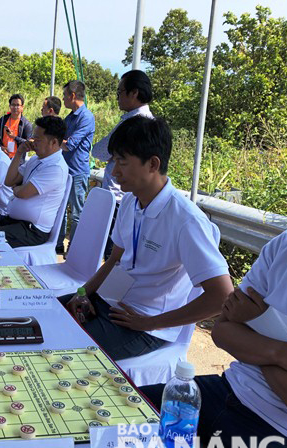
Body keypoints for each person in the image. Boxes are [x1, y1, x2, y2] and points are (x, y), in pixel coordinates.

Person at [64, 115, 233, 360]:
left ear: (153, 164)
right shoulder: (131, 201)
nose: (114, 170)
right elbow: (114, 261)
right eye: (113, 160)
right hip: (110, 303)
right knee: (48, 315)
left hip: (144, 325)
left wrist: (148, 323)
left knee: (63, 348)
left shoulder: (186, 220)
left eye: (122, 162)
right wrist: (83, 293)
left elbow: (222, 296)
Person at [142, 228, 287, 448]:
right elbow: (223, 331)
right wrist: (282, 353)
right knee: (115, 418)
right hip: (226, 391)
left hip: (283, 437)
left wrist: (255, 328)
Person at [92, 70, 155, 258]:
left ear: (134, 93)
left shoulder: (131, 124)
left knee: (112, 255)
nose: (117, 97)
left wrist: (111, 156)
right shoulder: (150, 122)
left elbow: (100, 152)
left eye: (120, 92)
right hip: (132, 199)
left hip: (119, 198)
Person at [0, 115, 69, 248]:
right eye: (33, 137)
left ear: (53, 142)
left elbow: (23, 193)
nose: (33, 142)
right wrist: (19, 153)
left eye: (38, 139)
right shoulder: (36, 159)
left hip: (33, 230)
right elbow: (9, 181)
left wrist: (16, 189)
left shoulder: (56, 167)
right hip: (16, 221)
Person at [56, 80, 95, 254]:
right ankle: (58, 243)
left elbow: (70, 144)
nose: (63, 99)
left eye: (64, 95)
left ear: (72, 96)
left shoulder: (86, 117)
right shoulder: (69, 117)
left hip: (78, 172)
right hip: (64, 170)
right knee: (61, 209)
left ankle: (74, 249)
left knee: (77, 213)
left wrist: (52, 141)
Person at [0, 94, 32, 159]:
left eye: (18, 105)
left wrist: (14, 137)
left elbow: (28, 144)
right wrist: (0, 147)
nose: (15, 108)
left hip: (17, 160)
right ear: (10, 106)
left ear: (22, 107)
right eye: (13, 105)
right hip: (3, 156)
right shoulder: (3, 120)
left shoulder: (26, 124)